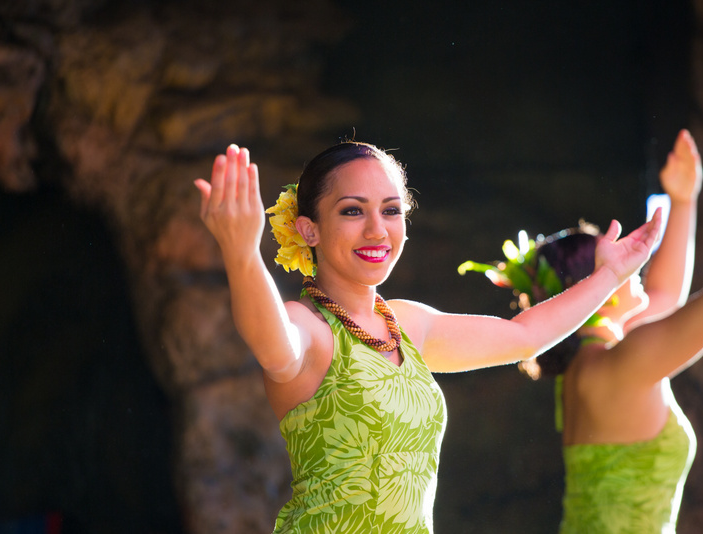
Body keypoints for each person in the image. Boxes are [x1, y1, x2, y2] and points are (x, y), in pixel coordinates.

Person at [193, 139, 662, 533]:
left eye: (391, 210)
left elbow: (525, 337)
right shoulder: (308, 328)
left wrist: (611, 276)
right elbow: (273, 345)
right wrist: (241, 254)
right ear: (309, 229)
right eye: (353, 211)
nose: (377, 229)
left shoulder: (408, 324)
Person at [465, 125, 703, 534]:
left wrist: (684, 198)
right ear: (597, 290)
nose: (630, 264)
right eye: (613, 257)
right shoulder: (620, 365)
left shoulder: (586, 367)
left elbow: (665, 295)